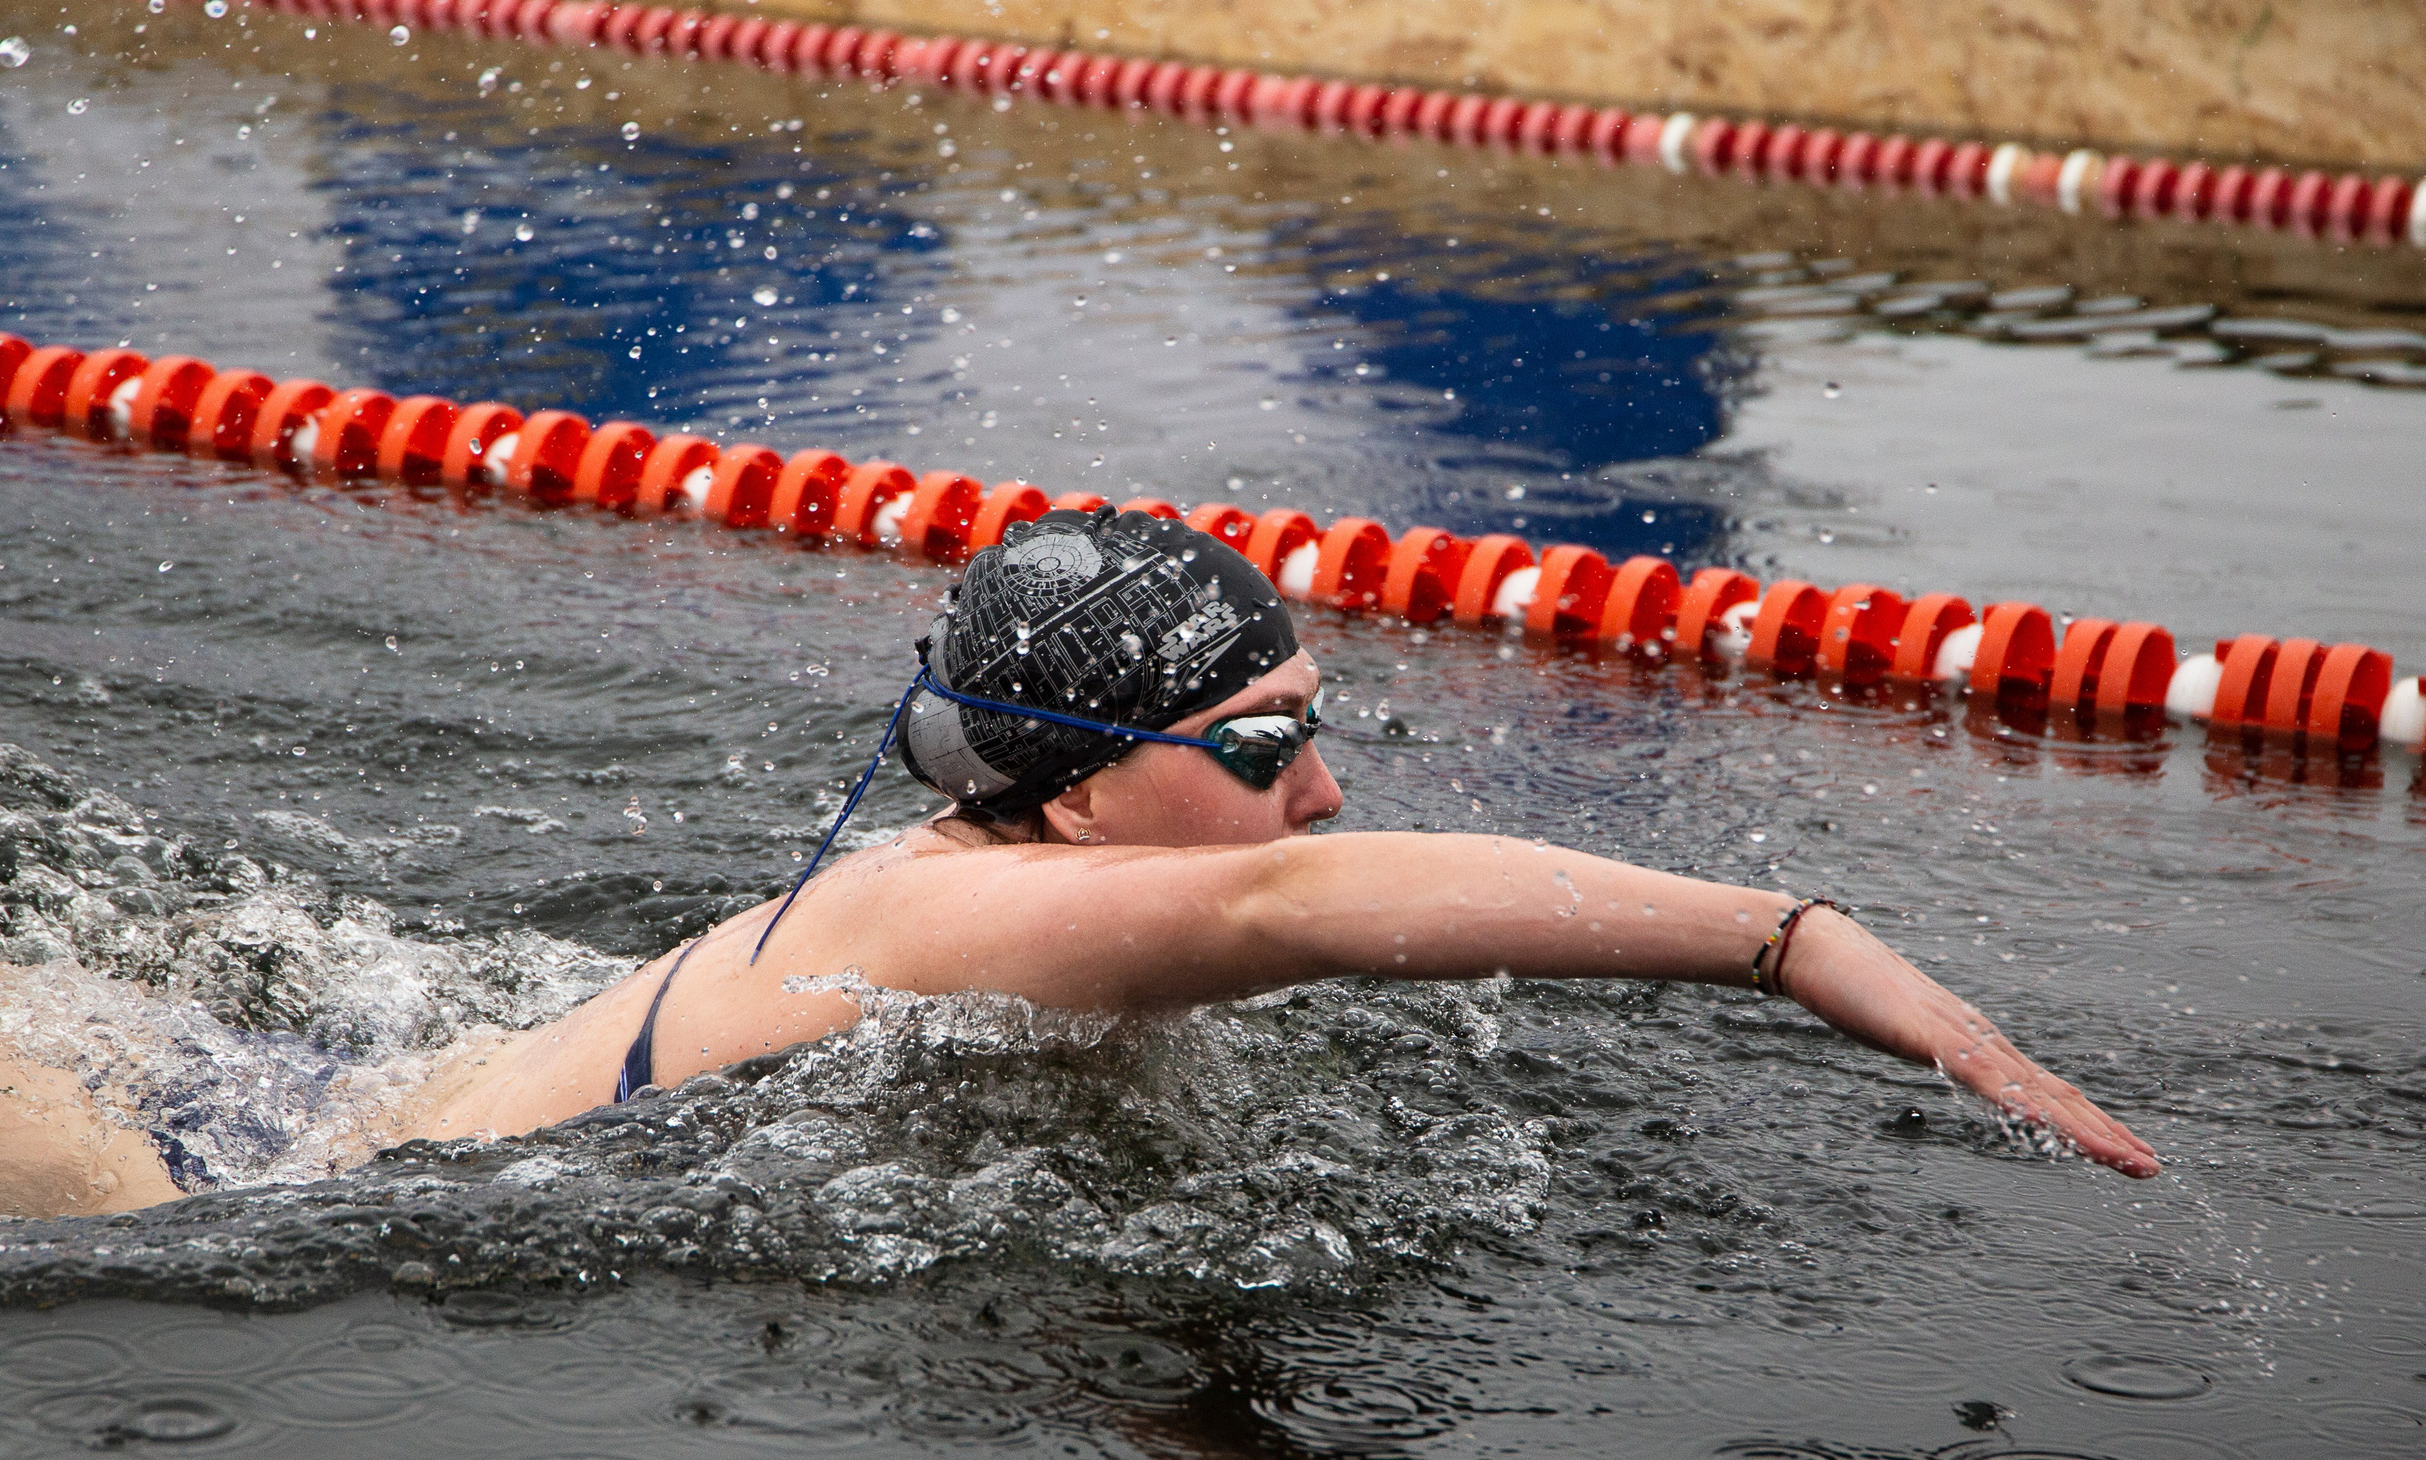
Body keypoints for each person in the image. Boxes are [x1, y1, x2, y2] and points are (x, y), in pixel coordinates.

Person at [422, 507, 2158, 1179]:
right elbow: (1290, 899)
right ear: (1084, 795)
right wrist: (1786, 937)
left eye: (1320, 724)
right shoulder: (972, 915)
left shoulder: (993, 875)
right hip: (250, 1174)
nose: (1320, 790)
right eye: (1259, 744)